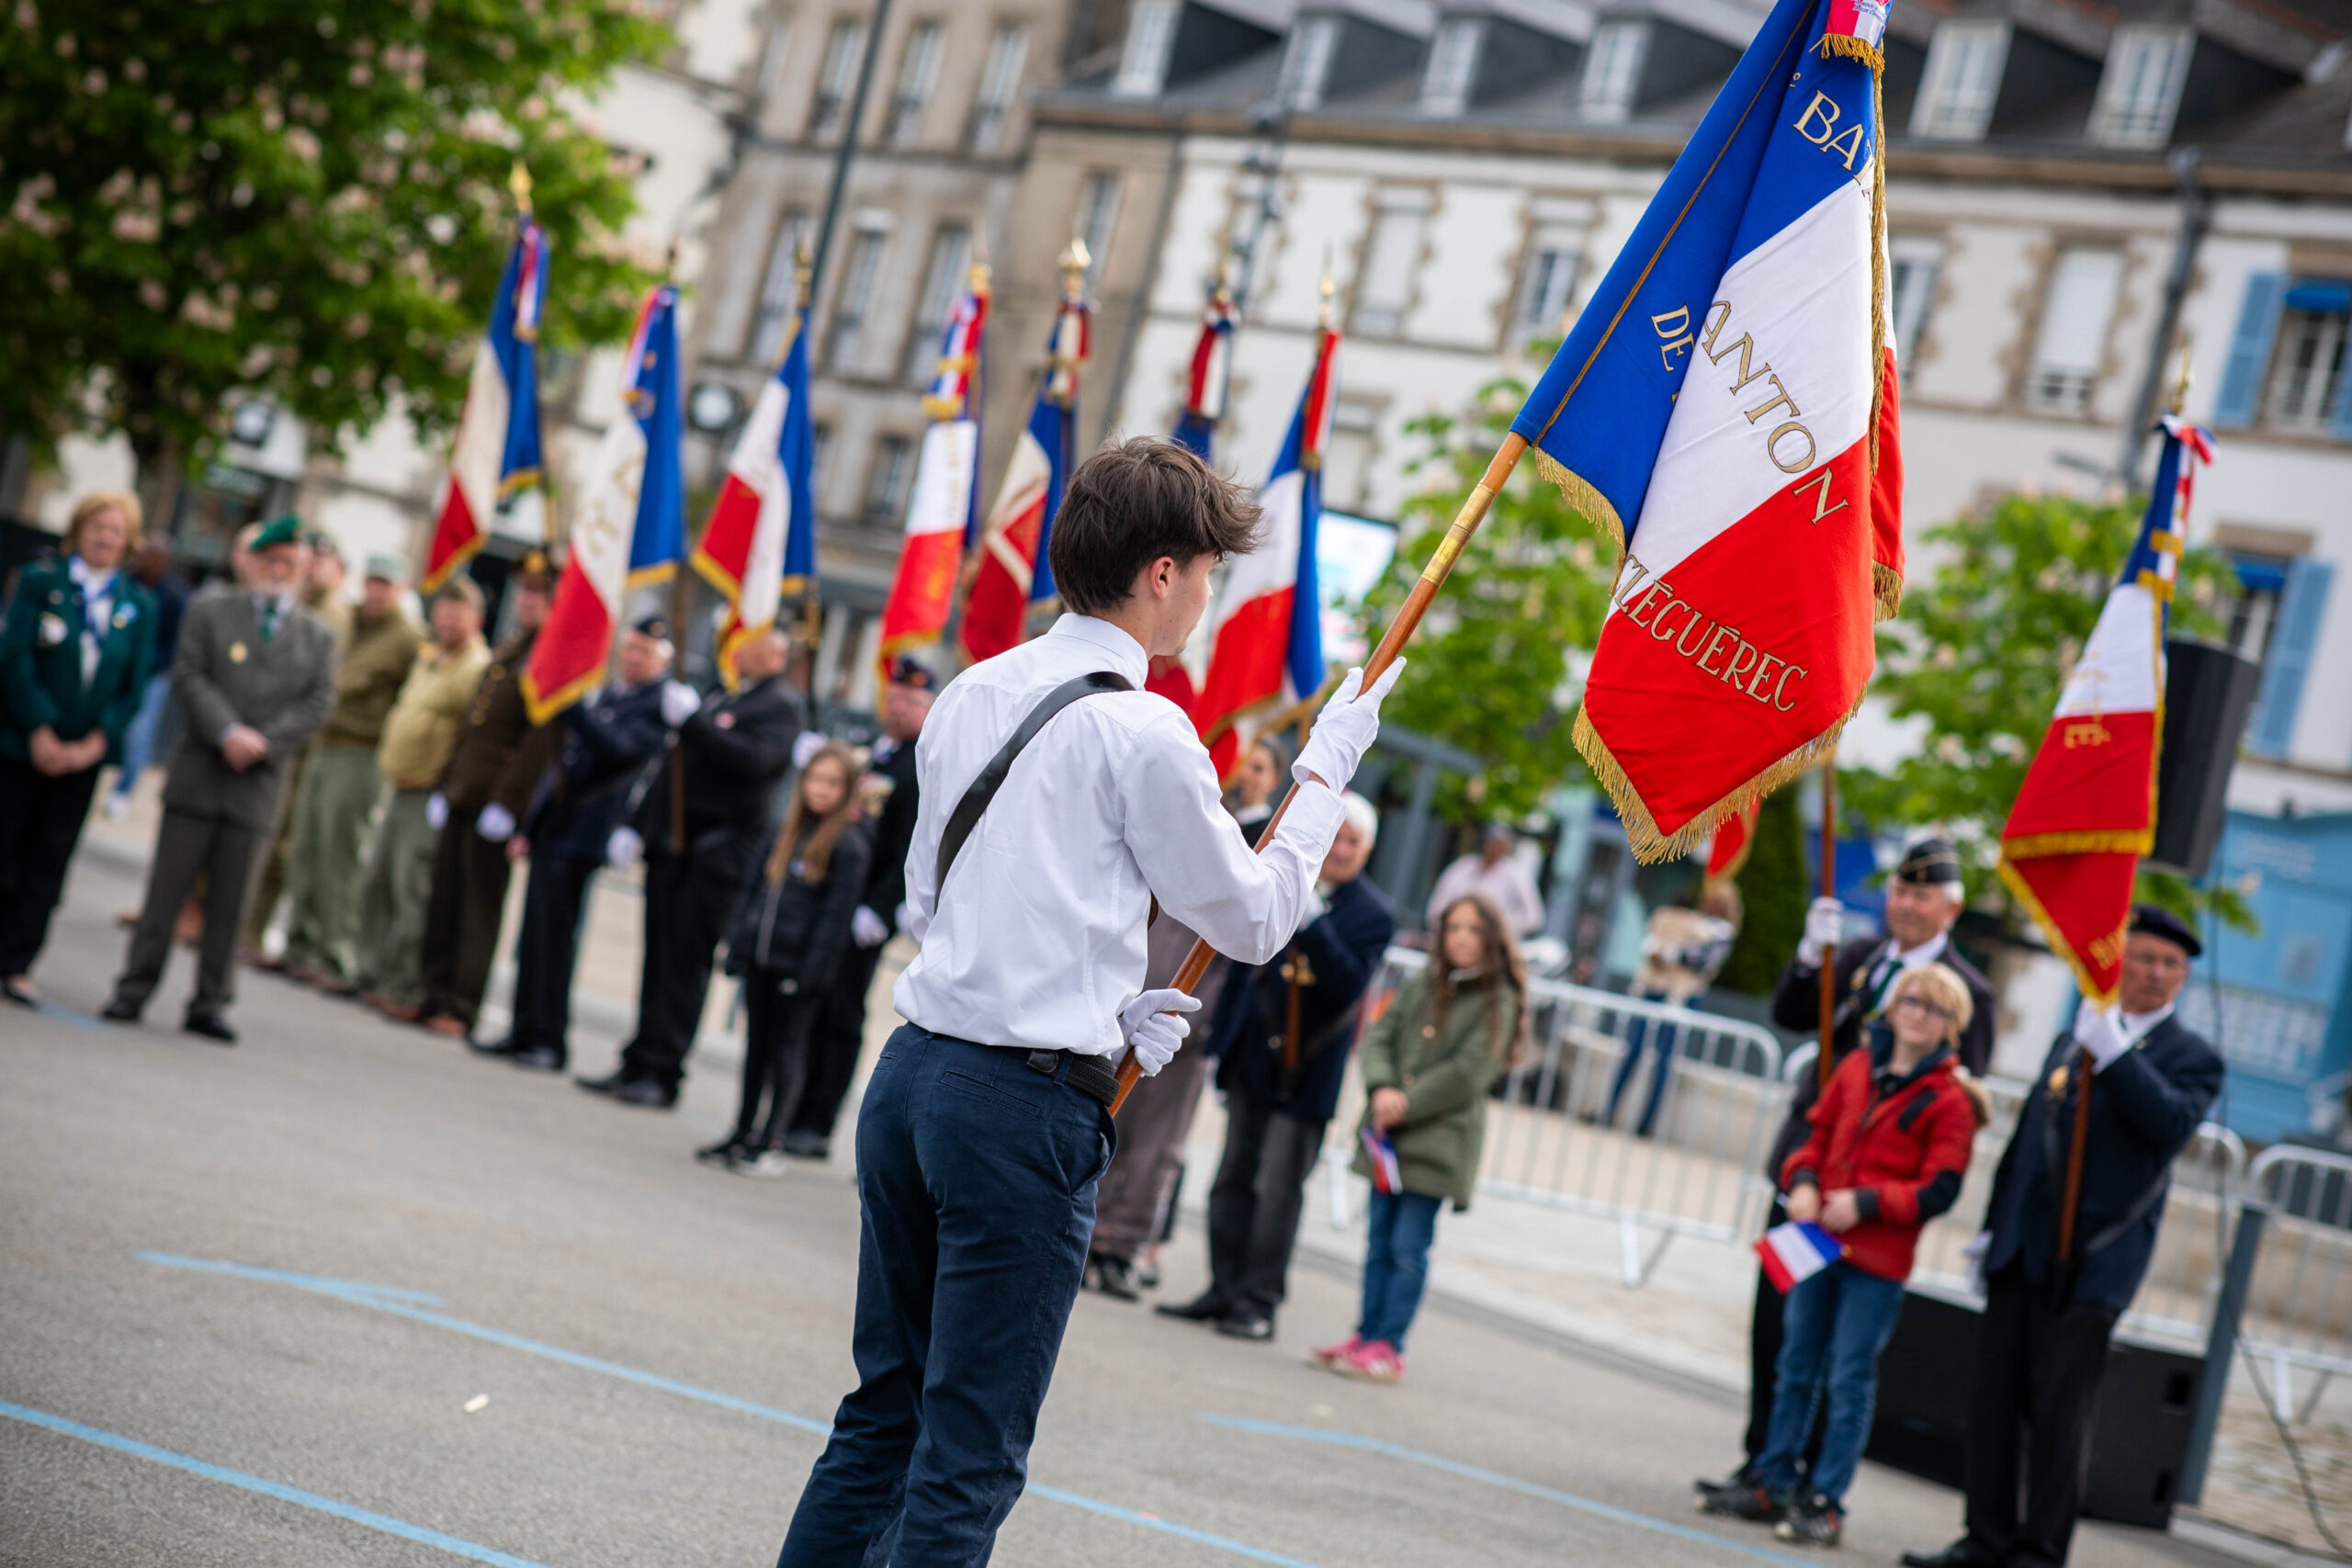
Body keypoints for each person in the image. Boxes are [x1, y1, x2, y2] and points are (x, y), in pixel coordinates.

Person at [772, 437, 1400, 1566]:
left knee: (882, 1418)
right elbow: (1255, 918)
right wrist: (1322, 773)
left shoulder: (975, 688)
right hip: (1018, 1110)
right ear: (1162, 572)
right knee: (967, 1456)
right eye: (1208, 571)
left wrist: (1101, 1001)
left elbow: (933, 899)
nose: (1211, 596)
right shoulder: (1141, 725)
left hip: (917, 1070)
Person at [1903, 907, 2223, 1568]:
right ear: (2118, 962)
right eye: (2144, 959)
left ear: (2184, 977)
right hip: (2025, 1247)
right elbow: (2027, 1143)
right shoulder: (2075, 1031)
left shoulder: (2193, 1058)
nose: (2156, 974)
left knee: (2058, 1414)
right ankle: (1985, 1538)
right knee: (1994, 1405)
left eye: (2171, 965)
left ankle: (2040, 1551)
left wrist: (2116, 1055)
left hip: (2095, 1262)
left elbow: (2166, 1124)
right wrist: (1995, 1227)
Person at [1699, 837, 1997, 1496]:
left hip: (1871, 1208)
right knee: (1779, 1328)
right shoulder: (1857, 956)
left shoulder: (1965, 991)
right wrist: (1810, 957)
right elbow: (1791, 1015)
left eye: (1921, 894)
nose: (1905, 904)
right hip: (1809, 1176)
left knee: (1842, 1356)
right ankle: (1763, 1463)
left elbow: (1960, 1093)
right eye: (1898, 889)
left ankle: (1813, 1477)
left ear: (1951, 907)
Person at [1159, 790, 1396, 1341]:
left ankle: (1258, 1301)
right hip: (1253, 1062)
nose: (1340, 850)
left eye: (1353, 841)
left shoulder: (1372, 913)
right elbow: (1246, 966)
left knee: (1277, 1193)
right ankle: (1222, 1288)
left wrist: (1312, 926)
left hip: (1306, 1070)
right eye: (1334, 837)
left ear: (1368, 850)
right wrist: (1224, 1048)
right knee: (1232, 1181)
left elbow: (1345, 986)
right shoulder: (1288, 881)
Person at [103, 516, 335, 1043]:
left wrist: (262, 741)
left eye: (290, 564)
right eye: (270, 560)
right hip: (201, 771)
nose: (278, 571)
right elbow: (187, 674)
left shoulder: (318, 636)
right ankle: (134, 987)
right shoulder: (210, 611)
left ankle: (209, 1001)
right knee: (166, 892)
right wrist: (227, 730)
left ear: (302, 571)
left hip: (258, 783)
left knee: (232, 903)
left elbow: (318, 703)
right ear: (252, 562)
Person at [584, 626, 803, 1109]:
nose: (737, 649)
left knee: (684, 967)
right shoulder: (724, 693)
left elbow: (754, 764)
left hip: (715, 856)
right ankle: (639, 1058)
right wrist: (638, 825)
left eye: (750, 643)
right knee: (658, 960)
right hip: (674, 848)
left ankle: (663, 1071)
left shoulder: (780, 706)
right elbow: (673, 768)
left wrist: (695, 724)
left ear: (775, 655)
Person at [1315, 891, 1526, 1382]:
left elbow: (1470, 1071)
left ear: (1492, 938)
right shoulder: (1424, 983)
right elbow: (1381, 1034)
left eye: (1473, 930)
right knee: (1379, 1242)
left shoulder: (1502, 1000)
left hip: (1435, 1143)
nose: (1461, 939)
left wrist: (1404, 1102)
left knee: (1409, 1247)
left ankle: (1390, 1344)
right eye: (1453, 928)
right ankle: (1365, 1334)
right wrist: (1381, 1086)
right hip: (1390, 1141)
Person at [478, 618, 676, 1074]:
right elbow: (561, 763)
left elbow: (618, 750)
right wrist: (532, 822)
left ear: (661, 660)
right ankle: (523, 1027)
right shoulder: (610, 693)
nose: (632, 658)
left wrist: (572, 706)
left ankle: (548, 1037)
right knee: (533, 934)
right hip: (557, 824)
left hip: (587, 831)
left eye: (644, 653)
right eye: (629, 649)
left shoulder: (655, 705)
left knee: (557, 938)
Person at [0, 492, 157, 1005]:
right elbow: (16, 657)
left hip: (83, 756)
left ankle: (18, 962)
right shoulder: (43, 583)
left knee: (50, 860)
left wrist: (95, 741)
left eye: (116, 531)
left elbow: (133, 688)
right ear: (78, 530)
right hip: (25, 745)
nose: (106, 538)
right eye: (98, 527)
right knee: (5, 849)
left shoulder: (138, 604)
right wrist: (40, 728)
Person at [787, 654, 933, 1158]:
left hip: (866, 911)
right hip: (835, 902)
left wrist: (884, 904)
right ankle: (794, 1108)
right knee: (814, 1006)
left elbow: (911, 846)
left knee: (841, 1014)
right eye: (894, 697)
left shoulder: (919, 765)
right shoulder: (872, 753)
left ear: (929, 706)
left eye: (912, 701)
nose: (899, 707)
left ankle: (816, 1121)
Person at [709, 740, 869, 1174]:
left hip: (798, 971)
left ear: (847, 791)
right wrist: (739, 945)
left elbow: (834, 921)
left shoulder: (847, 846)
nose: (821, 790)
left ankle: (771, 1139)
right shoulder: (783, 830)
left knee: (787, 1052)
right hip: (763, 959)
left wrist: (810, 973)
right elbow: (753, 893)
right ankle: (742, 1131)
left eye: (832, 783)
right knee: (755, 1049)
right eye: (816, 779)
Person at [417, 554, 556, 1038]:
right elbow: (473, 722)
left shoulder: (549, 658)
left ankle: (460, 1003)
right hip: (464, 788)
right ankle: (432, 989)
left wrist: (509, 802)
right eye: (524, 594)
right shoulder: (514, 645)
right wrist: (445, 782)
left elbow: (538, 742)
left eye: (538, 596)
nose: (527, 602)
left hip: (494, 798)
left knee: (478, 905)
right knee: (445, 897)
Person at [272, 555, 424, 987]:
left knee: (339, 857)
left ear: (401, 589)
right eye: (373, 583)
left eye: (386, 585)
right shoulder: (350, 622)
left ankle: (332, 952)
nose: (377, 593)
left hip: (360, 753)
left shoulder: (408, 638)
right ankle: (298, 942)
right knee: (306, 848)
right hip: (323, 744)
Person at [350, 579, 490, 1021]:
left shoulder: (474, 667)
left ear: (476, 620)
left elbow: (469, 736)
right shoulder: (433, 656)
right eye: (442, 612)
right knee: (378, 883)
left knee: (411, 890)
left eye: (457, 615)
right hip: (401, 783)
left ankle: (403, 982)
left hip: (429, 791)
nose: (447, 621)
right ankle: (368, 972)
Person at [1601, 881, 1743, 1136]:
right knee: (1632, 1049)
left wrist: (1670, 954)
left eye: (1719, 901)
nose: (1712, 904)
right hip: (1654, 989)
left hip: (1683, 996)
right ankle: (1608, 1111)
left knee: (1665, 1059)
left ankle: (1646, 1123)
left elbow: (1701, 962)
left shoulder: (1722, 933)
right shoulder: (1688, 920)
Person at [103, 537, 188, 816]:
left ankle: (123, 790)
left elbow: (174, 643)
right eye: (145, 554)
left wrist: (148, 664)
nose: (148, 560)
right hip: (117, 667)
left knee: (139, 732)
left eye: (155, 556)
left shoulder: (174, 595)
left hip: (152, 676)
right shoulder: (125, 582)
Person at [1428, 823, 1546, 937]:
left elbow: (1534, 917)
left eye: (1499, 843)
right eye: (1491, 842)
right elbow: (1437, 906)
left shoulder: (1516, 875)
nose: (1493, 847)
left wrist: (1500, 926)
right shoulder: (1462, 867)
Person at [1226, 735, 1286, 834]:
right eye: (1243, 763)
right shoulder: (1222, 816)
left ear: (1275, 780)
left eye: (1258, 769)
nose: (1244, 774)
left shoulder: (1268, 837)